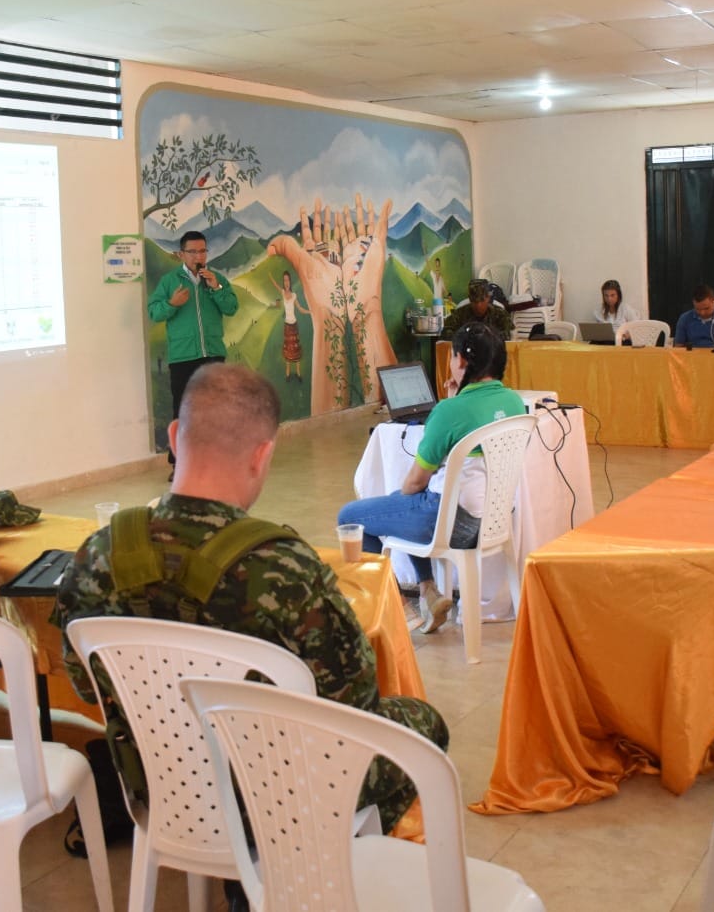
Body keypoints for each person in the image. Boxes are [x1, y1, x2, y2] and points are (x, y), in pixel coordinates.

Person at [51, 363, 447, 830]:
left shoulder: (98, 554)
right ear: (262, 455)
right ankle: (320, 853)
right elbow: (354, 705)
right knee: (424, 723)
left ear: (174, 437)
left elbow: (86, 684)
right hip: (277, 796)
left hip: (161, 784)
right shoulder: (286, 568)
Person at [337, 323, 525, 634]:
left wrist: (449, 405)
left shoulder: (450, 411)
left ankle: (399, 607)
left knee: (352, 517)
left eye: (452, 356)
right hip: (494, 519)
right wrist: (452, 399)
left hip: (450, 524)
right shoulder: (513, 402)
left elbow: (415, 482)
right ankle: (428, 591)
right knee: (402, 504)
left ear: (461, 360)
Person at [148, 231, 238, 469]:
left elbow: (231, 307)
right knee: (183, 411)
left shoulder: (216, 279)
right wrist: (172, 304)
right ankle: (180, 465)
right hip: (183, 357)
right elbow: (154, 312)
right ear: (181, 254)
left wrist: (217, 287)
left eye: (203, 251)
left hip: (213, 354)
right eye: (193, 252)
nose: (199, 257)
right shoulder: (170, 281)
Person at [267, 269, 309, 381]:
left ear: (290, 282)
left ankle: (298, 374)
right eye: (285, 280)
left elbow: (300, 308)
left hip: (294, 325)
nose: (286, 282)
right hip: (287, 326)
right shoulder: (282, 292)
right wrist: (270, 276)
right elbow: (275, 285)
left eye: (288, 280)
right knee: (288, 350)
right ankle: (288, 374)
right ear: (283, 282)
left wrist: (310, 312)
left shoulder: (294, 295)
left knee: (296, 349)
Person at [441, 278, 512, 340]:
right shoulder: (460, 313)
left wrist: (487, 338)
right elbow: (446, 332)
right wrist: (464, 337)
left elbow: (510, 334)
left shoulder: (500, 314)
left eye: (482, 300)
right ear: (469, 299)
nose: (478, 305)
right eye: (474, 301)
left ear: (488, 298)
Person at [673, 284, 714, 348]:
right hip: (692, 355)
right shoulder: (684, 318)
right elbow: (678, 347)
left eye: (706, 308)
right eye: (698, 309)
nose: (702, 313)